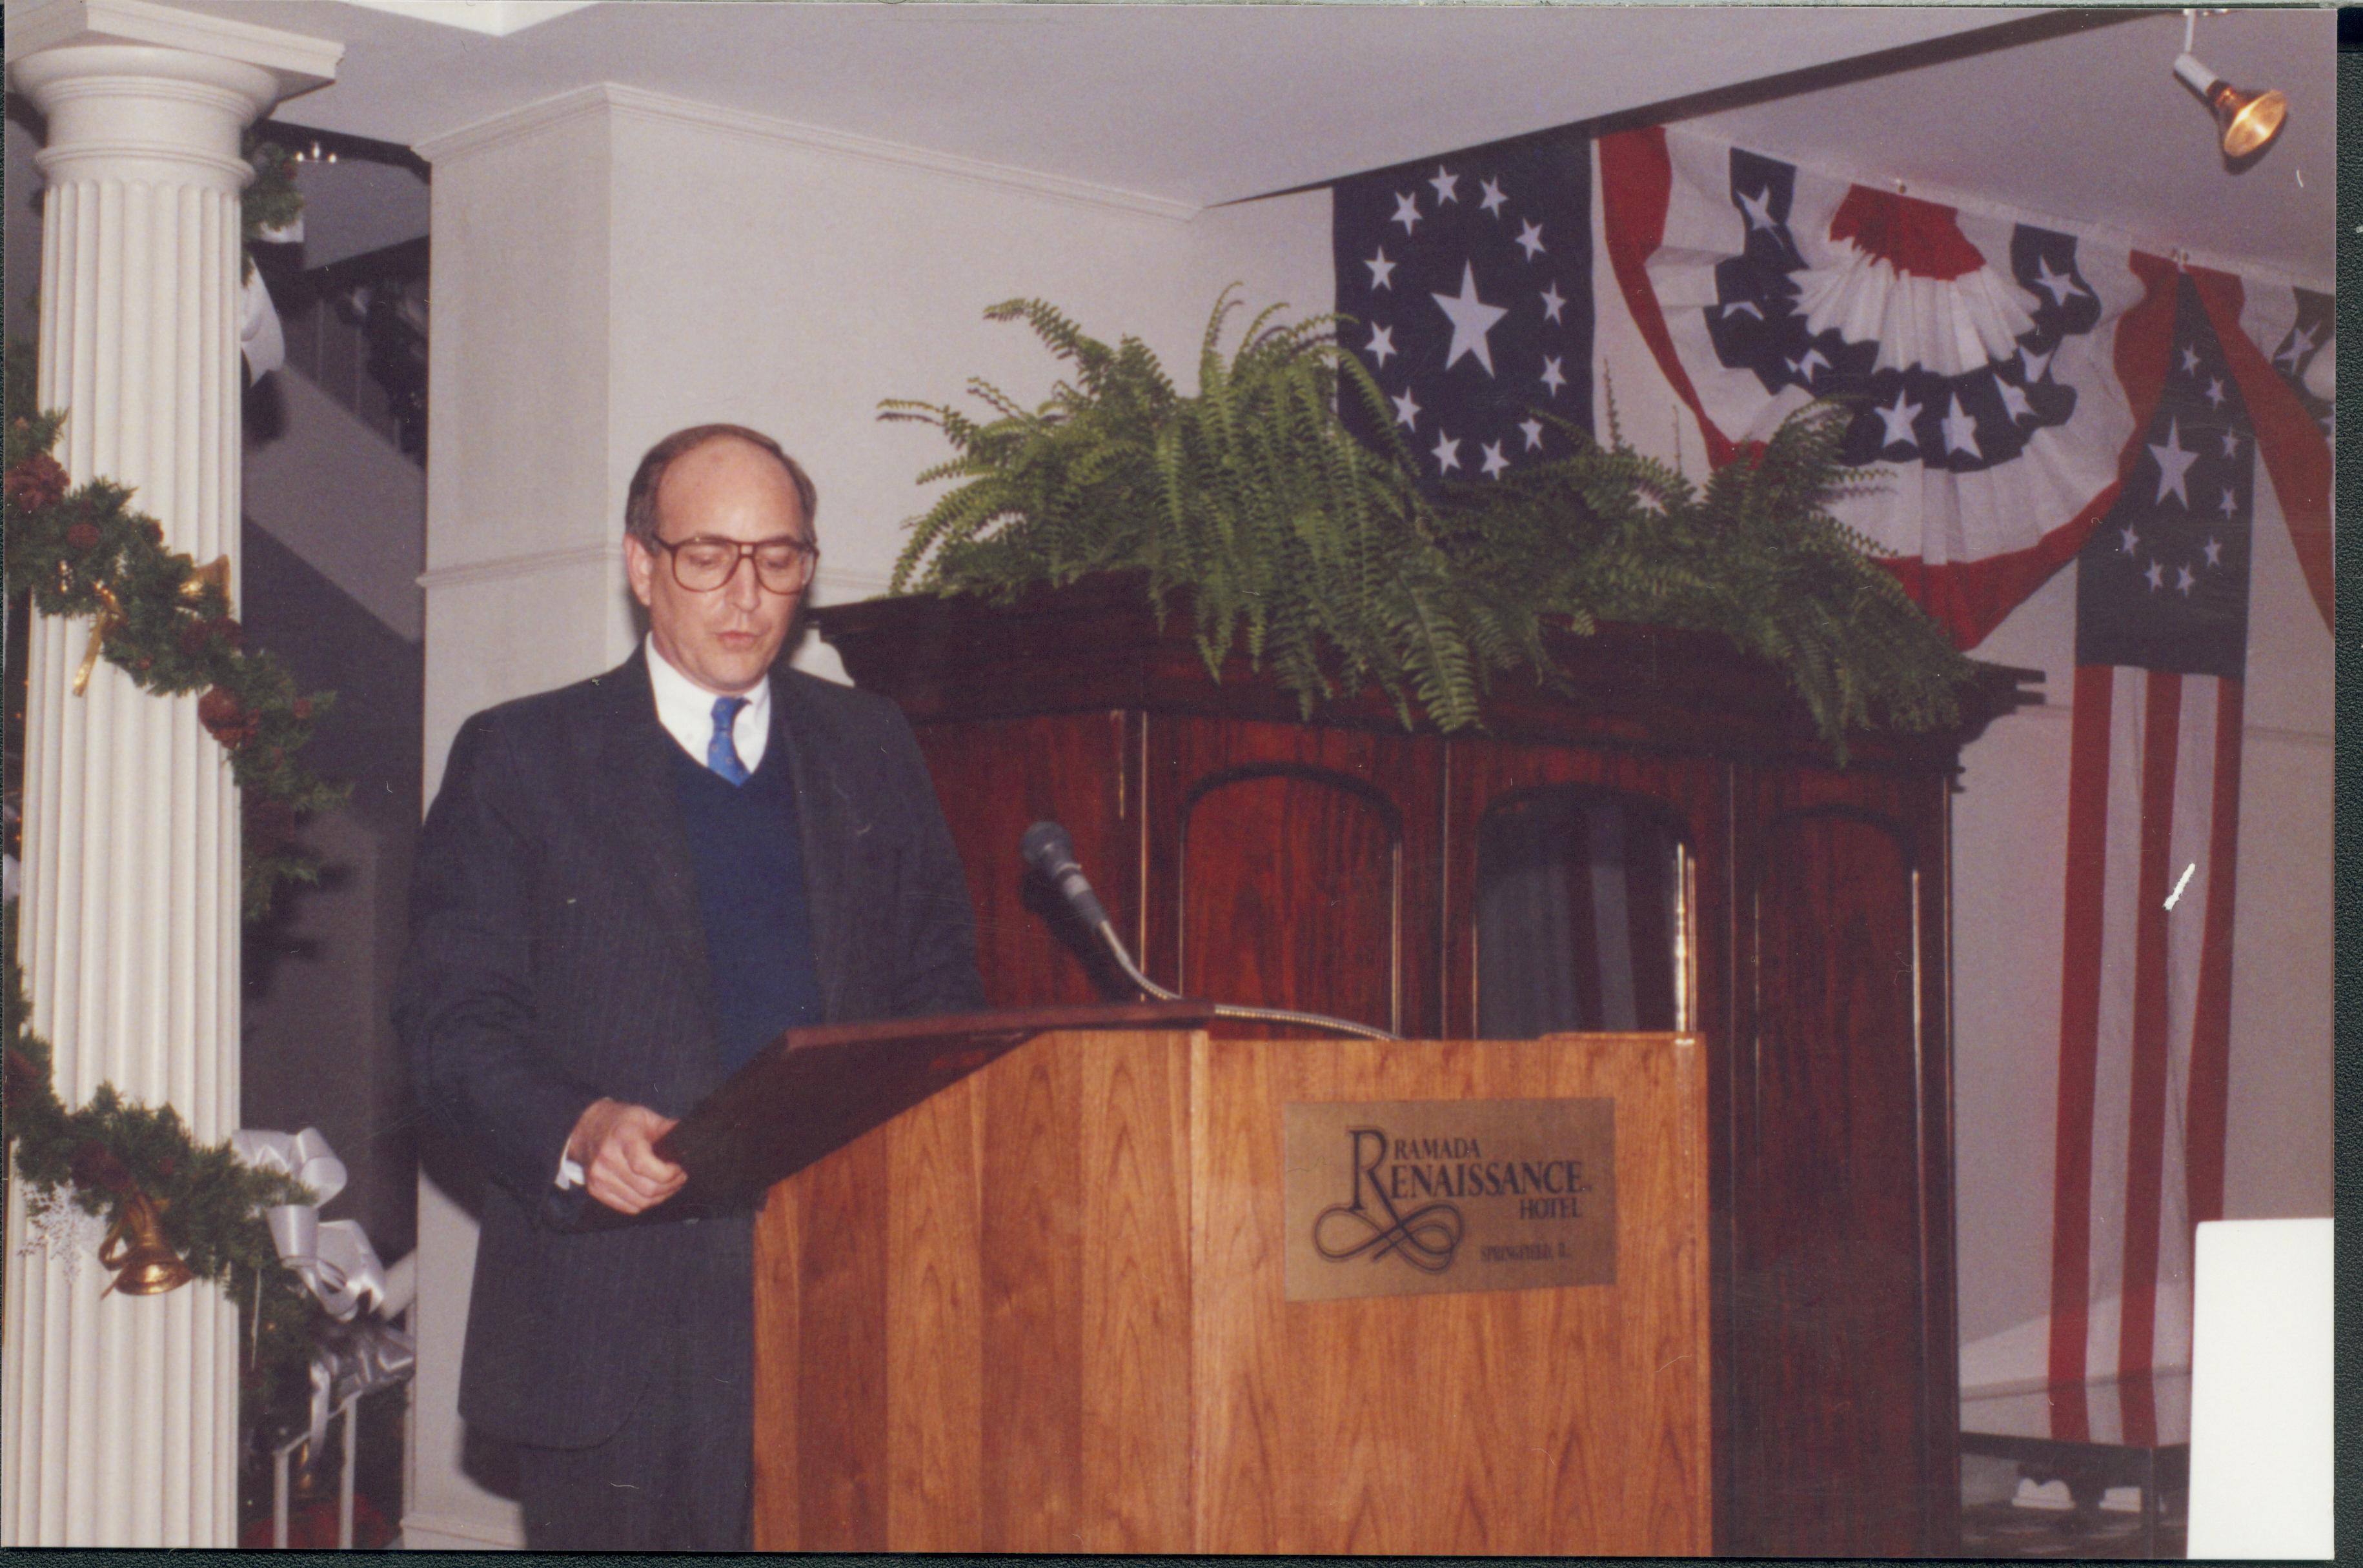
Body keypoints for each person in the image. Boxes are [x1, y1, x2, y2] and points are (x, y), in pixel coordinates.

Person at [394, 424, 984, 1550]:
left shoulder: (870, 745)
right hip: (617, 1320)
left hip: (847, 1300)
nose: (747, 593)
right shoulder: (523, 758)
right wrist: (578, 1124)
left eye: (779, 557)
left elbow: (937, 986)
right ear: (641, 565)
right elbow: (448, 1026)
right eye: (708, 554)